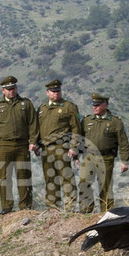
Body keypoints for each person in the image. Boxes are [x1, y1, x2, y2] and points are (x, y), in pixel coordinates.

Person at [0, 76, 39, 213]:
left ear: (16, 88)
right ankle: (7, 206)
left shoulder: (25, 104)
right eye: (8, 89)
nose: (11, 91)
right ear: (3, 90)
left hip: (22, 144)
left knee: (24, 175)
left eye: (13, 88)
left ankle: (25, 205)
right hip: (4, 145)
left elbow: (33, 124)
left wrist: (33, 141)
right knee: (4, 176)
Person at [77, 93, 129, 213]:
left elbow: (123, 142)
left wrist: (125, 161)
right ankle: (86, 210)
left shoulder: (115, 122)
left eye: (97, 105)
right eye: (93, 105)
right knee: (84, 182)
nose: (94, 107)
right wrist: (76, 156)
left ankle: (107, 211)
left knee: (105, 186)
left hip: (106, 157)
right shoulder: (86, 120)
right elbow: (80, 139)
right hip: (88, 157)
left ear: (105, 106)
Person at [36, 79, 81, 211]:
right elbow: (39, 128)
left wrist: (74, 146)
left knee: (66, 176)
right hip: (45, 148)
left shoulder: (68, 106)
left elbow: (76, 128)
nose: (56, 94)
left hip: (62, 147)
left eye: (58, 91)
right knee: (50, 178)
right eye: (53, 91)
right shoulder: (42, 108)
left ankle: (70, 206)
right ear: (47, 93)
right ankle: (53, 207)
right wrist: (37, 144)